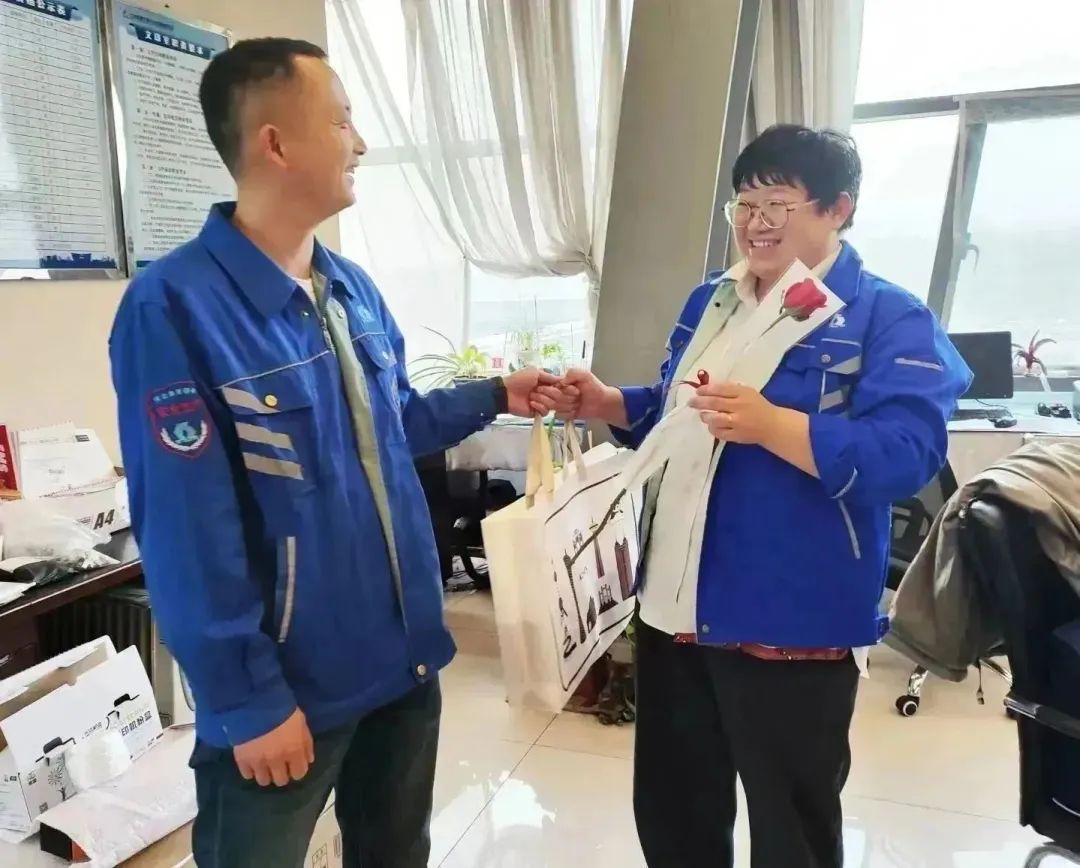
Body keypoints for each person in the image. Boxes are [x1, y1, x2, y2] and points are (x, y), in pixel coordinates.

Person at [109, 38, 555, 868]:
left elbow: (393, 426)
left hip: (402, 667)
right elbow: (184, 531)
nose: (362, 144)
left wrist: (496, 394)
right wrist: (247, 699)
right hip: (289, 691)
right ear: (276, 144)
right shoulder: (172, 308)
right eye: (344, 121)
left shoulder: (349, 288)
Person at [540, 125, 972, 867]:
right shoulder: (714, 298)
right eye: (744, 202)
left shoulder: (887, 317)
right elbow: (681, 414)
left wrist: (776, 427)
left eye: (779, 202)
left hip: (790, 615)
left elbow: (908, 456)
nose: (756, 221)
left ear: (838, 210)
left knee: (791, 825)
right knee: (675, 810)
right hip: (675, 606)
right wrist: (607, 401)